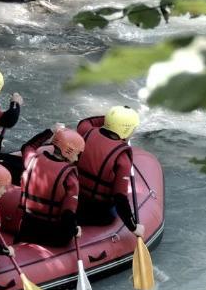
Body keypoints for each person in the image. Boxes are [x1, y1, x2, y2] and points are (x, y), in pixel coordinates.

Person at [76, 106, 145, 240]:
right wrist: (134, 227)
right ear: (126, 130)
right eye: (133, 129)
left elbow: (85, 122)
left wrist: (110, 120)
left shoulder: (86, 131)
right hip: (98, 214)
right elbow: (120, 198)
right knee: (115, 211)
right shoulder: (122, 158)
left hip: (74, 204)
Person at [16, 126, 85, 248]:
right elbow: (68, 213)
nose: (77, 158)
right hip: (52, 236)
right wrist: (75, 230)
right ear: (68, 152)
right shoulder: (70, 177)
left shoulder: (32, 160)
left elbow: (27, 147)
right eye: (77, 154)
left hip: (26, 230)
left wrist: (50, 131)